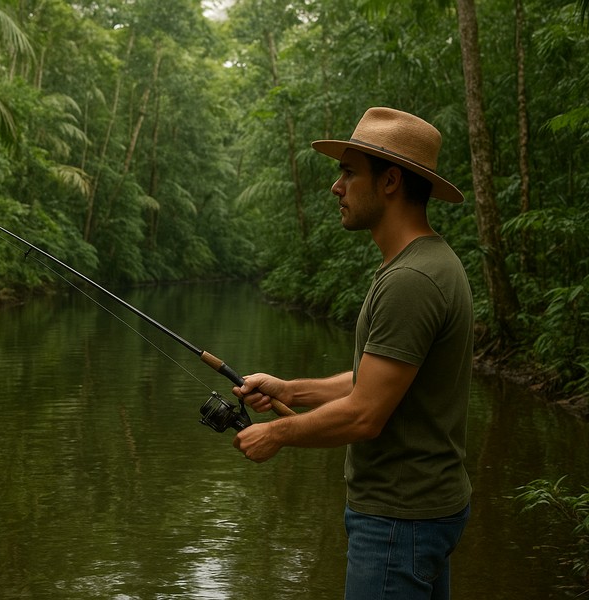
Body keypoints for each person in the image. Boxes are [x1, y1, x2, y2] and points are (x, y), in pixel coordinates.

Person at [232, 107, 474, 599]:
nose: (335, 187)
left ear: (389, 181)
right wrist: (289, 390)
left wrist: (276, 433)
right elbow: (377, 382)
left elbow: (365, 415)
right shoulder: (425, 263)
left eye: (348, 172)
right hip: (420, 512)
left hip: (396, 521)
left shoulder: (411, 280)